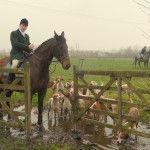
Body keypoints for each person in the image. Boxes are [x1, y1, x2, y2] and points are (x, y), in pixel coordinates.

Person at [8, 18, 34, 83]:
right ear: (19, 25)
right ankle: (10, 80)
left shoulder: (27, 36)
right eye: (23, 25)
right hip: (15, 54)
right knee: (15, 64)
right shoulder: (14, 33)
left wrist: (31, 49)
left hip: (24, 55)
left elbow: (28, 46)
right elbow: (16, 44)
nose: (24, 27)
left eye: (25, 26)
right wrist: (27, 46)